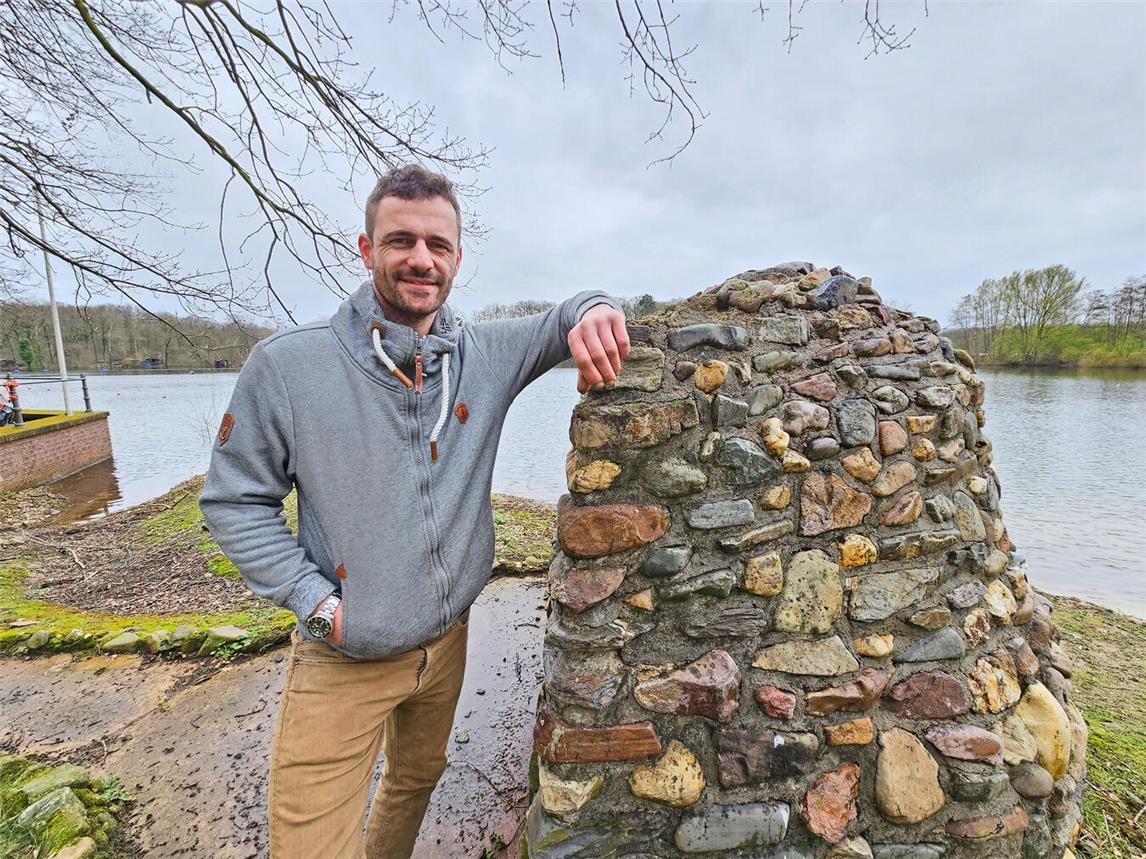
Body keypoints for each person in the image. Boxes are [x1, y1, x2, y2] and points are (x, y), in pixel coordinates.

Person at [198, 164, 629, 858]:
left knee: (415, 780)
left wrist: (597, 308)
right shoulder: (288, 366)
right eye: (401, 240)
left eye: (439, 244)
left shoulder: (484, 354)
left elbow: (562, 317)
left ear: (458, 258)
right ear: (367, 250)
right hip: (345, 655)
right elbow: (233, 500)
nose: (421, 259)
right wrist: (319, 604)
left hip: (447, 640)